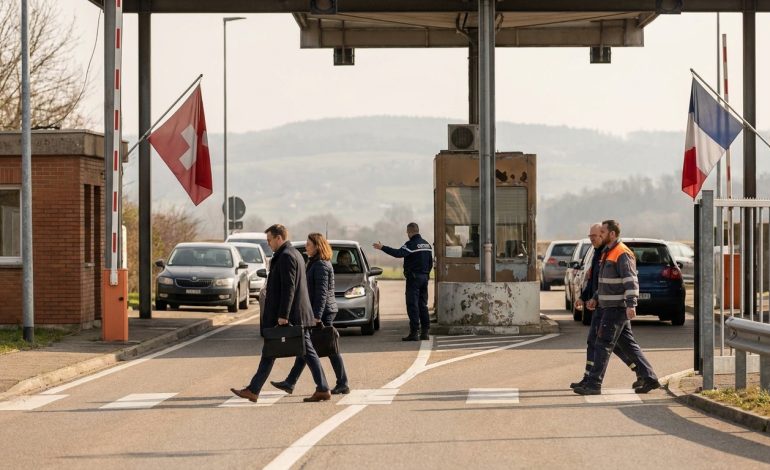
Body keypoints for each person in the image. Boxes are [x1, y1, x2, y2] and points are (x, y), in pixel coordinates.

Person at [231, 224, 331, 403]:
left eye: (269, 240)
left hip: (292, 316)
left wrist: (283, 315)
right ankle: (254, 389)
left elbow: (289, 287)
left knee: (278, 351)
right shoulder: (293, 254)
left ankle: (254, 390)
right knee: (293, 352)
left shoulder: (286, 256)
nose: (268, 244)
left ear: (279, 238)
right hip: (297, 315)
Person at [573, 219, 660, 396]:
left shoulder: (622, 253)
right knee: (627, 345)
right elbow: (604, 282)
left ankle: (594, 384)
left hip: (616, 308)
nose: (600, 235)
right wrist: (595, 298)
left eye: (603, 232)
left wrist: (631, 305)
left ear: (612, 234)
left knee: (603, 344)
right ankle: (649, 378)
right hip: (606, 306)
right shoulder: (607, 252)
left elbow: (630, 281)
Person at [271, 233, 350, 395]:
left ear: (317, 246)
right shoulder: (314, 262)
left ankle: (342, 383)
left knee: (326, 347)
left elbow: (321, 294)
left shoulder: (320, 265)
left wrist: (316, 316)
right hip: (320, 311)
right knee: (307, 347)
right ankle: (290, 382)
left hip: (323, 312)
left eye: (309, 245)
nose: (306, 247)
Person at [373, 222, 433, 341]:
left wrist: (382, 247)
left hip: (414, 279)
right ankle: (425, 332)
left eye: (407, 232)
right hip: (424, 277)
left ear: (410, 232)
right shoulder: (427, 245)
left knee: (412, 305)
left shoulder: (411, 244)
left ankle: (414, 332)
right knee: (423, 305)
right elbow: (430, 263)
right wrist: (426, 274)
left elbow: (398, 253)